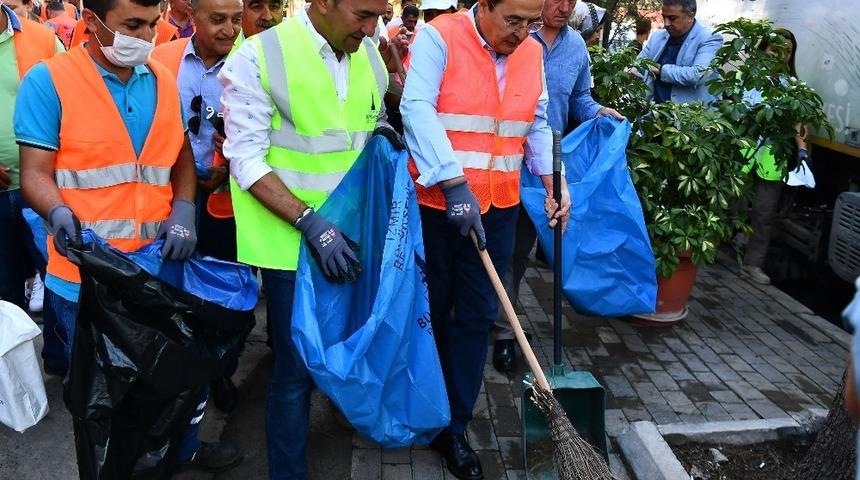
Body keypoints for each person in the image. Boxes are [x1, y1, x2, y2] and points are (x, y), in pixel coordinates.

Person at [14, 0, 241, 471]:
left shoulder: (160, 78)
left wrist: (184, 208)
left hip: (158, 271)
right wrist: (56, 210)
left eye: (152, 24)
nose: (146, 36)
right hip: (87, 283)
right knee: (105, 400)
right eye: (132, 25)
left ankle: (179, 450)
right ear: (92, 22)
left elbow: (179, 156)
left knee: (171, 384)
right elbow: (35, 172)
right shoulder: (49, 81)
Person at [219, 0, 404, 476]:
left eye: (379, 15)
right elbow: (246, 160)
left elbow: (363, 123)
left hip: (352, 241)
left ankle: (343, 407)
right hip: (291, 249)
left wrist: (383, 129)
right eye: (363, 14)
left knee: (346, 341)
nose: (372, 27)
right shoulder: (259, 56)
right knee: (295, 369)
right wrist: (310, 223)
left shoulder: (368, 54)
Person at [401, 0, 572, 475]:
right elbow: (416, 109)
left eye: (530, 23)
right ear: (485, 5)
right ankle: (423, 406)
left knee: (477, 316)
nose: (521, 33)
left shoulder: (531, 53)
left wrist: (555, 181)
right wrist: (453, 182)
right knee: (432, 311)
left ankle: (453, 427)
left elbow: (536, 124)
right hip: (437, 206)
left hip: (498, 207)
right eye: (512, 20)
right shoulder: (440, 36)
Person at [490, 0, 622, 374]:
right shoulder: (513, 33)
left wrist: (598, 111)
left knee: (519, 251)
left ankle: (503, 324)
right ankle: (500, 327)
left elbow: (579, 98)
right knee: (497, 247)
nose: (564, 7)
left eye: (571, 0)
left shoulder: (576, 46)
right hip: (502, 161)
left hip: (545, 169)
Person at [0, 0, 64, 373]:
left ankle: (59, 360)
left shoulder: (42, 39)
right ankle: (14, 374)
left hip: (44, 189)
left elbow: (73, 100)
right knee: (4, 289)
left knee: (56, 276)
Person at [740, 28, 808, 285]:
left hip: (772, 157)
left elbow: (798, 121)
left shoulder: (792, 86)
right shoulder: (744, 77)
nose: (780, 56)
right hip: (742, 151)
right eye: (775, 49)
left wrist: (802, 150)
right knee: (730, 205)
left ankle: (752, 264)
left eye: (787, 52)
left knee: (764, 213)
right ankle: (710, 252)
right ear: (763, 49)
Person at [635, 0, 722, 104]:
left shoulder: (710, 37)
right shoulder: (657, 37)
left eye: (672, 18)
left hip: (692, 112)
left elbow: (697, 75)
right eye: (664, 17)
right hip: (654, 110)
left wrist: (659, 69)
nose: (666, 24)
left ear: (690, 16)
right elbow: (638, 64)